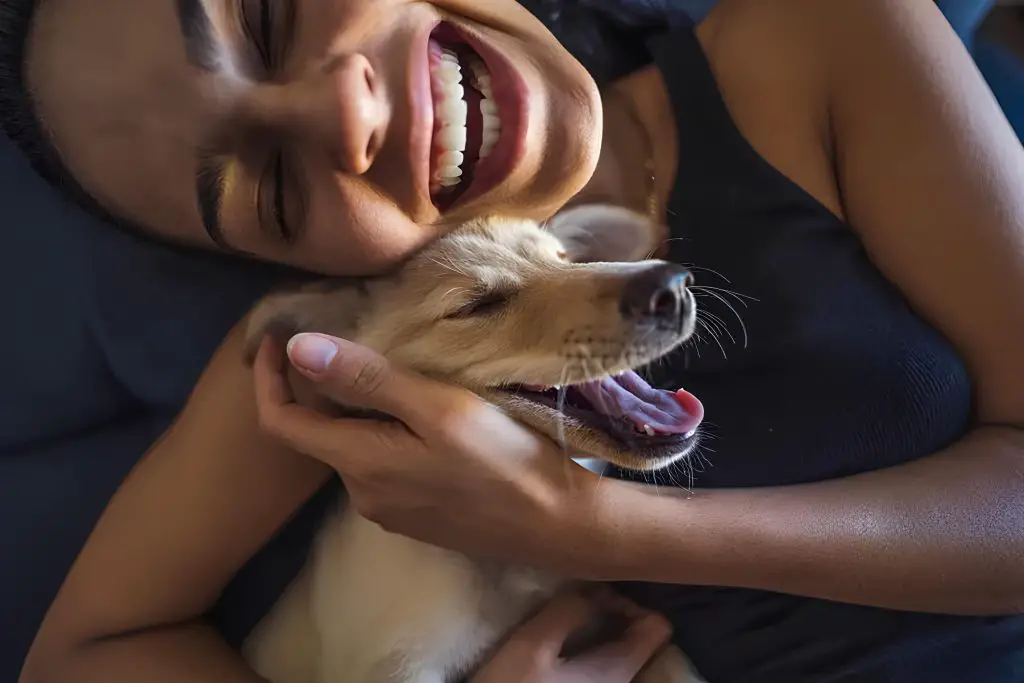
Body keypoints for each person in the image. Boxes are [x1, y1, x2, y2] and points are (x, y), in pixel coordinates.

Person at [3, 0, 1024, 680]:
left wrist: (589, 527)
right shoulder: (338, 347)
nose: (346, 110)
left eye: (268, 15)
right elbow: (88, 650)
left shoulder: (827, 41)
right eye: (271, 184)